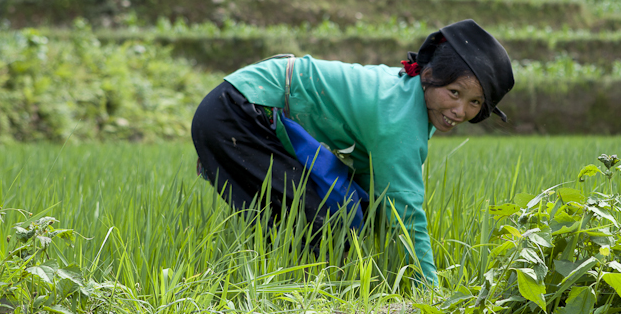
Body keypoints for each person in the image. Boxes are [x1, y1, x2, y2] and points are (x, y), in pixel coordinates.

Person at [190, 19, 514, 287]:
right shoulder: (399, 118)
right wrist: (429, 294)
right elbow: (405, 213)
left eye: (474, 103)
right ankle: (297, 305)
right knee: (321, 222)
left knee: (351, 213)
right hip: (238, 111)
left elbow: (376, 191)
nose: (460, 110)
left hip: (243, 107)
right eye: (454, 93)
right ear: (428, 76)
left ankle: (304, 296)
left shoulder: (408, 97)